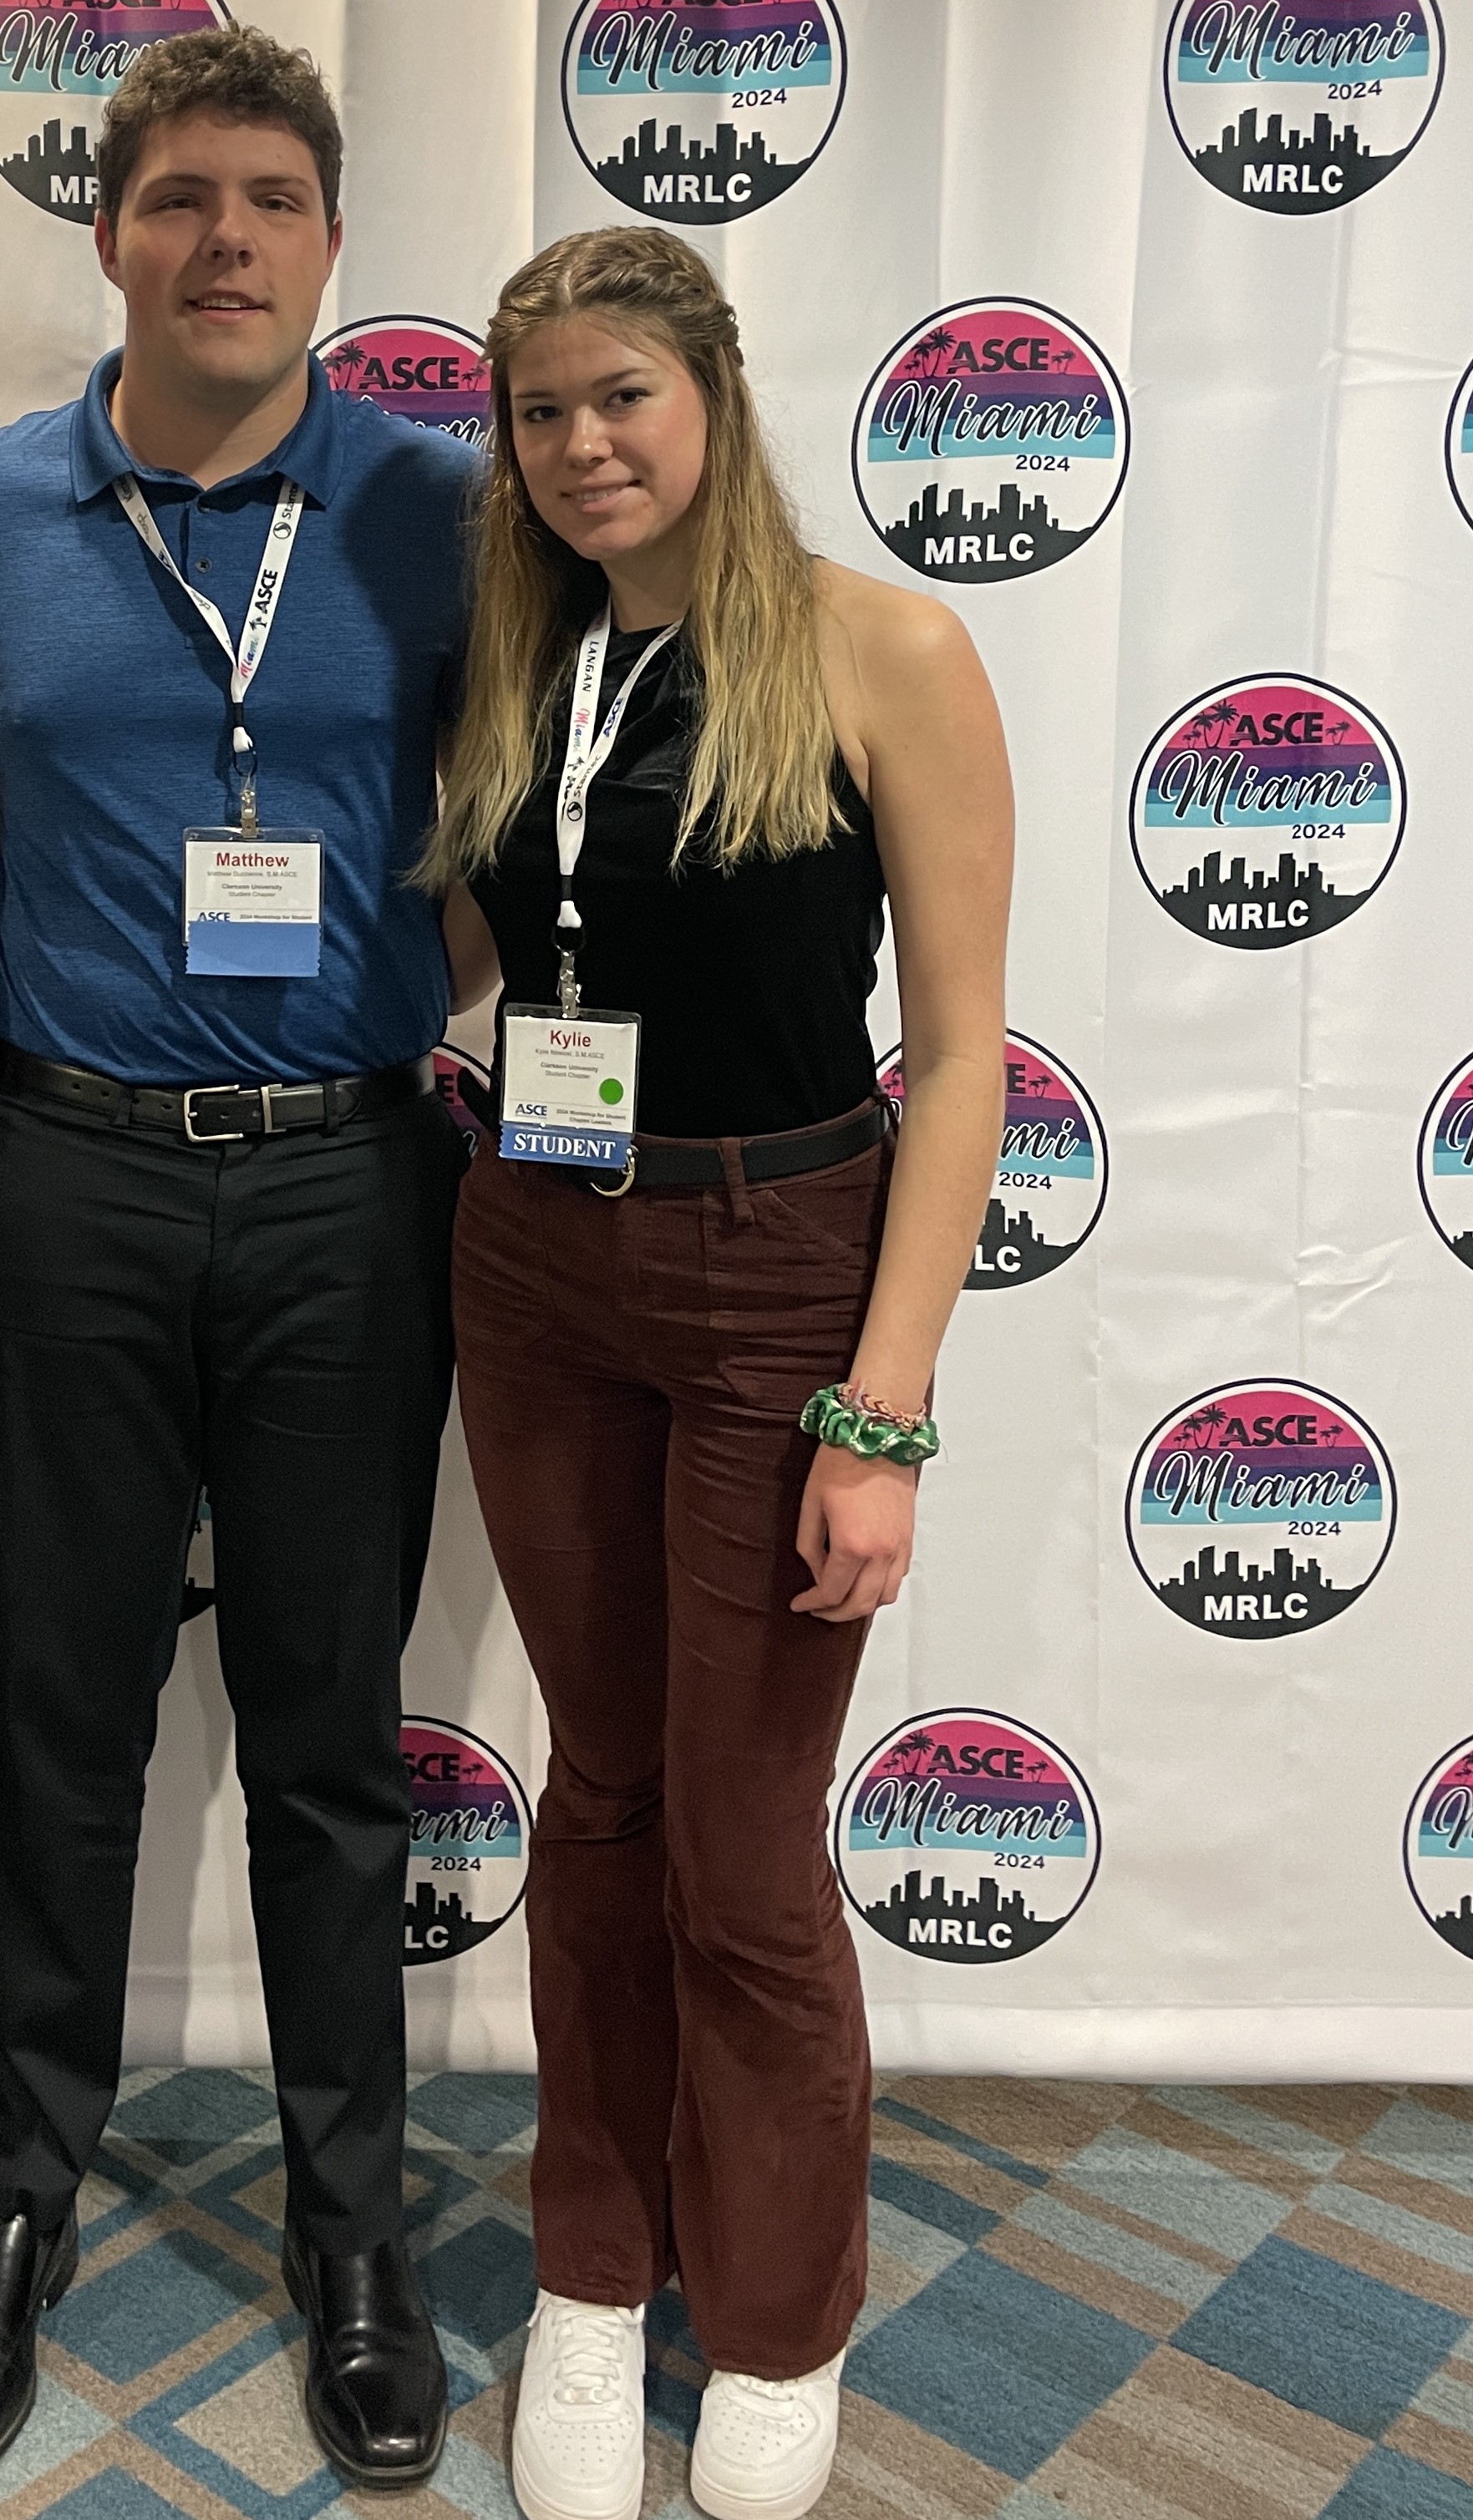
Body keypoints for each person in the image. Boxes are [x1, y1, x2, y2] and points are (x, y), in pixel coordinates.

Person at [0, 26, 472, 2490]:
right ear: (105, 230)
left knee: (336, 1744)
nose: (223, 240)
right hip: (74, 1185)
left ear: (331, 242)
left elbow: (514, 824)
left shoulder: (453, 508)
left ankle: (356, 2227)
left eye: (271, 200)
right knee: (68, 1730)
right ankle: (19, 2194)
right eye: (177, 200)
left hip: (352, 1179)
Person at [425, 229, 1010, 2520]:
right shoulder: (527, 657)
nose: (582, 446)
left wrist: (881, 1416)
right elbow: (470, 936)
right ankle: (596, 2271)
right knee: (597, 1796)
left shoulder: (885, 647)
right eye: (540, 411)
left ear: (715, 400)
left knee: (747, 1856)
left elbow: (959, 1063)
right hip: (533, 1257)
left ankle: (773, 2323)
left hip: (784, 1271)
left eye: (620, 399)